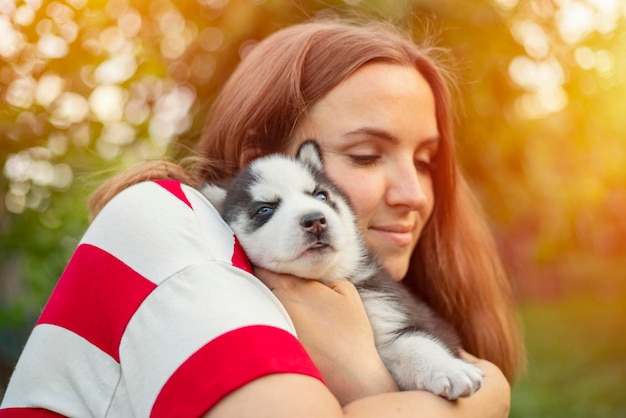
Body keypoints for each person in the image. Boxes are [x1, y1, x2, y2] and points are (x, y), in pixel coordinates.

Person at [1, 17, 524, 417]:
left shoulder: (367, 299)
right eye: (365, 155)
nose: (414, 193)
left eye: (426, 162)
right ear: (256, 162)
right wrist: (483, 399)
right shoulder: (167, 221)